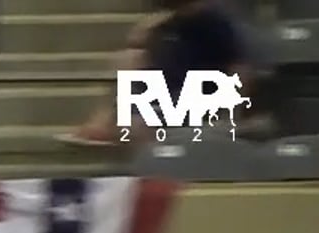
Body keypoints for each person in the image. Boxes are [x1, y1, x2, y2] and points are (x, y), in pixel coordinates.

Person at [58, 0, 249, 147]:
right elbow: (138, 43)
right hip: (165, 91)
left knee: (134, 125)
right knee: (130, 59)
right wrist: (148, 31)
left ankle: (137, 143)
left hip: (199, 97)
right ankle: (102, 120)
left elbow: (239, 67)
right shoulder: (169, 21)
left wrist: (232, 112)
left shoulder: (214, 22)